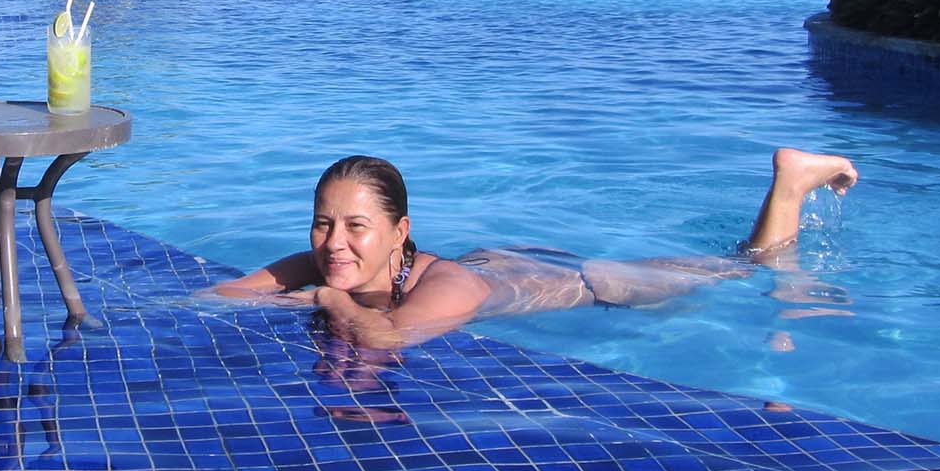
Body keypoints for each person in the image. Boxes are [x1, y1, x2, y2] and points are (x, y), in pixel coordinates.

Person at [212, 148, 859, 349]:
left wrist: (322, 297)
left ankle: (792, 181)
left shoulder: (444, 288)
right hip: (509, 259)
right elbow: (217, 297)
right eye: (322, 223)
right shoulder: (327, 258)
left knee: (743, 270)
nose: (334, 242)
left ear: (400, 231)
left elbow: (386, 338)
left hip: (599, 285)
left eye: (356, 226)